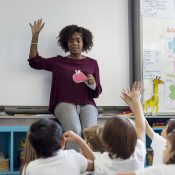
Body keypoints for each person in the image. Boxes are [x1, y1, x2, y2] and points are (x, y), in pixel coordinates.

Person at [28, 19, 102, 150]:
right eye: (71, 40)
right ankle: (73, 167)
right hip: (64, 103)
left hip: (87, 103)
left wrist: (93, 83)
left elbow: (96, 91)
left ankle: (90, 167)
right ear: (66, 43)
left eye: (78, 40)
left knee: (91, 134)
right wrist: (35, 36)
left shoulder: (92, 63)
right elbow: (35, 61)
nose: (74, 43)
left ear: (84, 42)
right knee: (75, 132)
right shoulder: (58, 61)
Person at [94, 81, 146, 175]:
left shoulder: (102, 161)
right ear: (132, 136)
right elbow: (141, 127)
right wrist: (136, 100)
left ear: (104, 140)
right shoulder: (138, 153)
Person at [25, 118, 94, 175]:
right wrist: (79, 140)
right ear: (63, 141)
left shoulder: (31, 168)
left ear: (33, 148)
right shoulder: (73, 157)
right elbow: (96, 165)